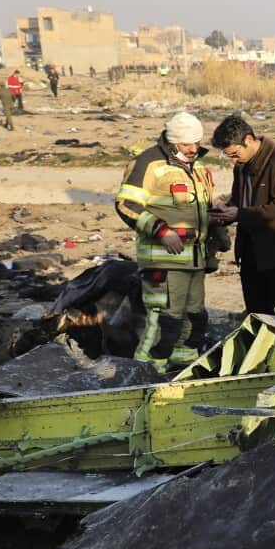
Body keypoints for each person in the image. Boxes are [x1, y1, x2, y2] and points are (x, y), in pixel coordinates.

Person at [114, 112, 218, 371]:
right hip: (163, 260)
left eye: (196, 142)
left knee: (194, 320)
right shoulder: (148, 163)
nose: (194, 149)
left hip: (195, 260)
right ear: (172, 142)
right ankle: (145, 374)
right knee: (164, 323)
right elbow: (126, 204)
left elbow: (201, 209)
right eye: (186, 144)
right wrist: (163, 232)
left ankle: (181, 369)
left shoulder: (199, 167)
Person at [210, 115, 275, 319]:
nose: (233, 160)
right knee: (256, 312)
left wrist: (240, 214)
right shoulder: (241, 166)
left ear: (248, 140)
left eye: (235, 154)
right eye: (229, 156)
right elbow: (238, 202)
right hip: (250, 252)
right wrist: (224, 213)